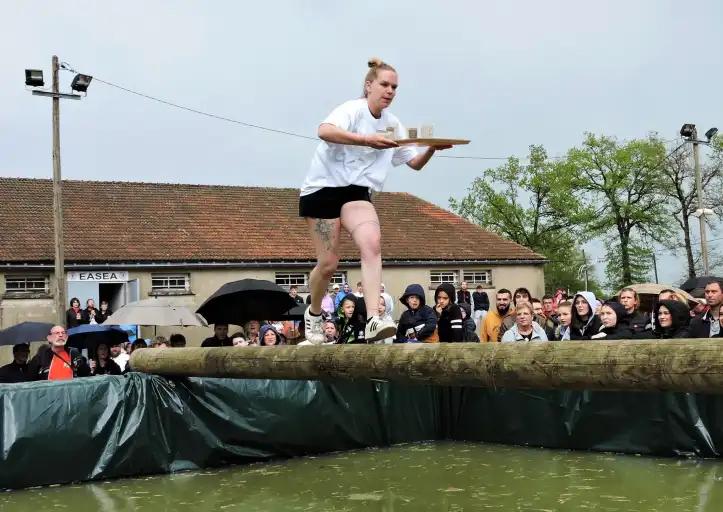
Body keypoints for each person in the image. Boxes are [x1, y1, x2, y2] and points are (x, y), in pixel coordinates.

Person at [299, 57, 449, 345]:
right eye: (384, 84)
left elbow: (414, 162)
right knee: (329, 264)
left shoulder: (393, 124)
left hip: (357, 192)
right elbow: (324, 131)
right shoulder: (352, 110)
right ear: (369, 85)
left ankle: (373, 319)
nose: (390, 91)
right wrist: (366, 140)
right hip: (323, 189)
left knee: (372, 243)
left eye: (395, 87)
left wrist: (431, 148)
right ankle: (314, 314)